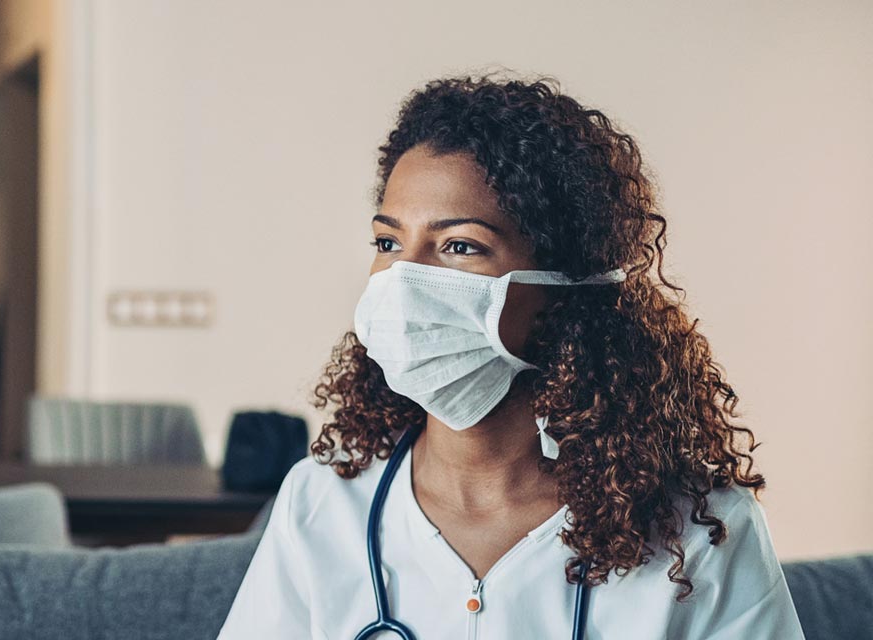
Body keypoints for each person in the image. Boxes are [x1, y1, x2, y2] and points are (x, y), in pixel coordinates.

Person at [219, 76, 804, 639]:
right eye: (388, 242)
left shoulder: (699, 532)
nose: (403, 279)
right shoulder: (320, 502)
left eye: (459, 246)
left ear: (565, 285)